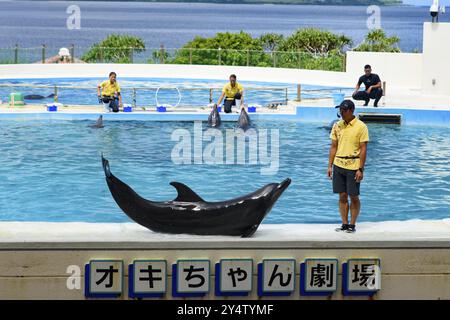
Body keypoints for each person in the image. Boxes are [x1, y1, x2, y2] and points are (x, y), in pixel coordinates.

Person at [327, 100, 369, 233]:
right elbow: (333, 146)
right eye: (340, 110)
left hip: (353, 165)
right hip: (338, 165)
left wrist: (361, 169)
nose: (341, 113)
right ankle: (344, 224)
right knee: (342, 196)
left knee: (354, 196)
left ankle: (352, 224)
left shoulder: (361, 126)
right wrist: (329, 166)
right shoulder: (337, 126)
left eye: (343, 110)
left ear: (351, 110)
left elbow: (363, 149)